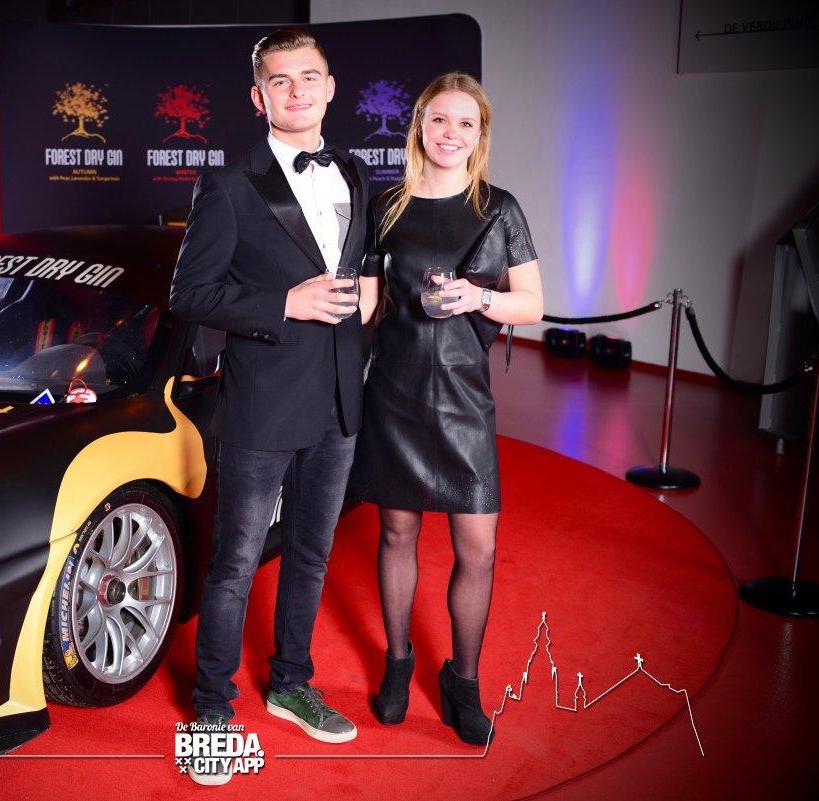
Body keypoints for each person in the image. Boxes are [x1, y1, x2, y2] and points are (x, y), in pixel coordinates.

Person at [169, 27, 372, 785]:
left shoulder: (355, 171)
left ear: (330, 87)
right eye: (279, 81)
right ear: (259, 98)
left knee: (312, 554)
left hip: (339, 399)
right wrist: (283, 302)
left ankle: (291, 683)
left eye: (308, 77)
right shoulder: (228, 184)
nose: (296, 91)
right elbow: (190, 294)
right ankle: (212, 712)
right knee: (235, 563)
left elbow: (358, 272)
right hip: (261, 401)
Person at [350, 72, 544, 745]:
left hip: (465, 398)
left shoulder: (500, 208)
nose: (450, 134)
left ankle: (463, 679)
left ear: (480, 134)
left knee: (479, 549)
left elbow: (533, 304)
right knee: (396, 534)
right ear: (419, 127)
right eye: (439, 120)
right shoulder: (386, 207)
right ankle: (398, 662)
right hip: (395, 393)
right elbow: (367, 306)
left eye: (466, 123)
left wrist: (479, 297)